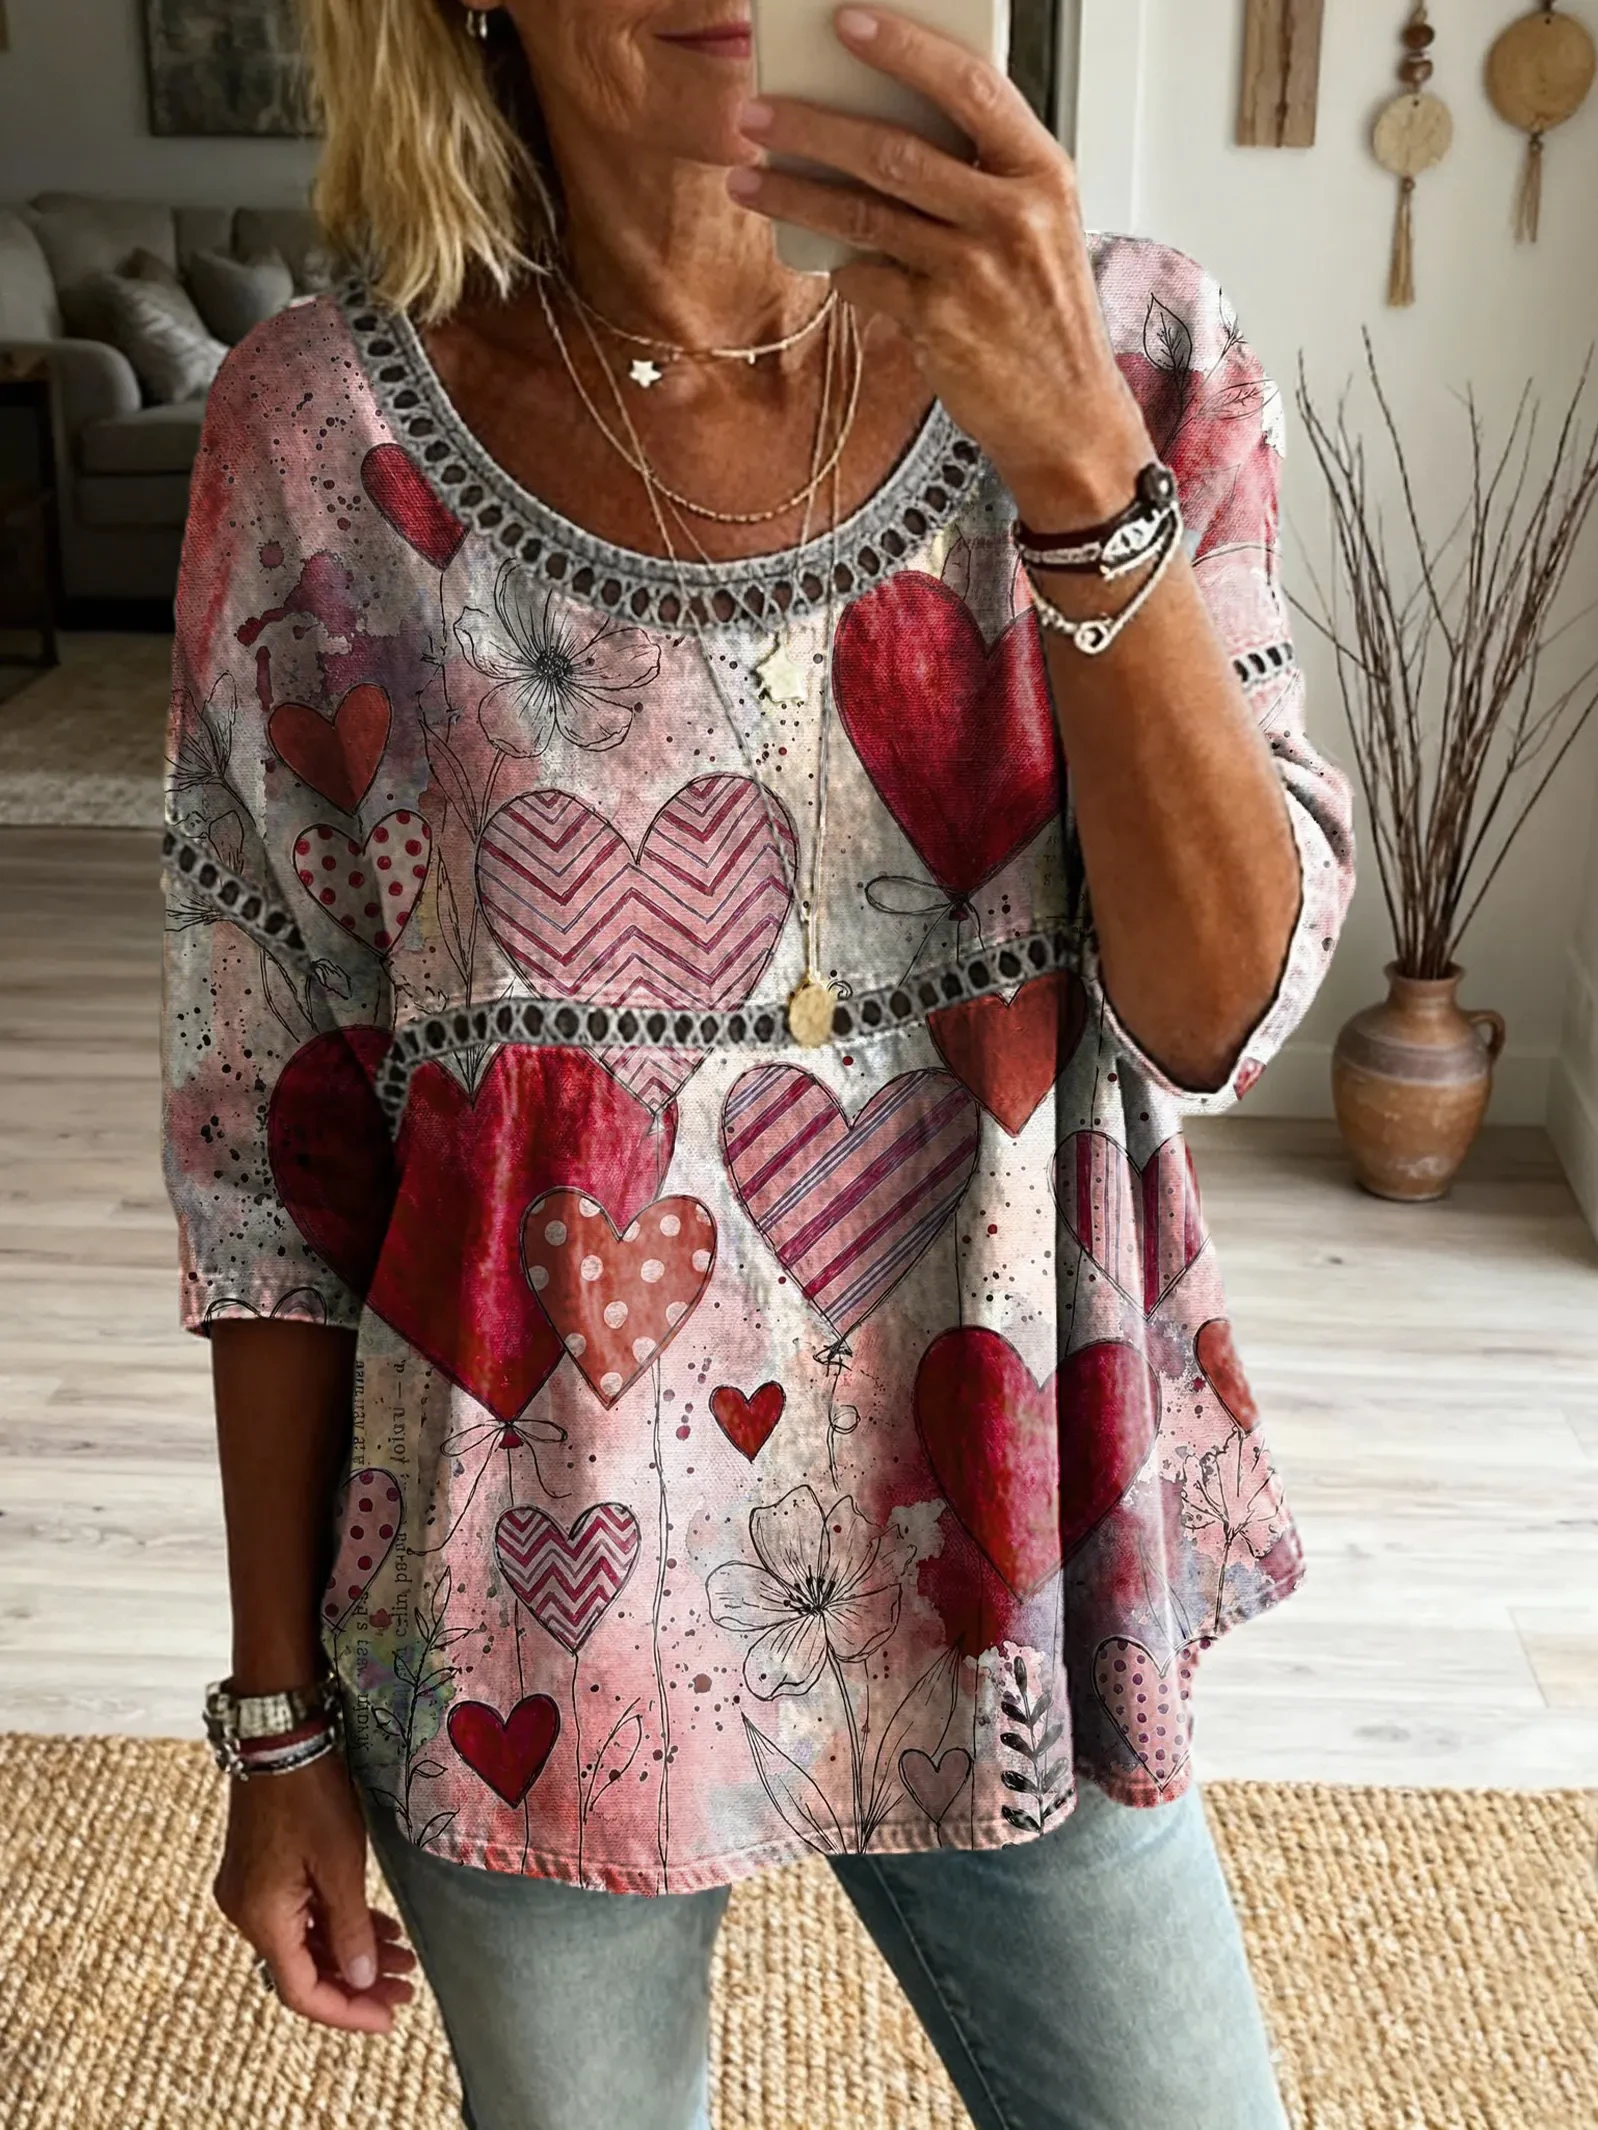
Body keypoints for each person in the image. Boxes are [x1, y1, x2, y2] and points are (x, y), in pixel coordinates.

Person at [160, 5, 1355, 2126]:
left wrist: (1074, 463)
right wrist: (275, 1721)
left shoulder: (1132, 349)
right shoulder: (316, 436)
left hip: (1011, 1558)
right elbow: (274, 1136)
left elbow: (1220, 1007)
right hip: (531, 1607)